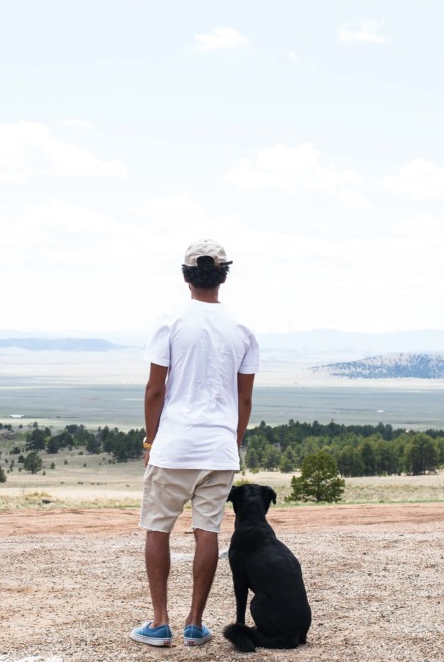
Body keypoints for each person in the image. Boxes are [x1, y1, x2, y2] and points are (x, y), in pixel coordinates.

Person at [129, 239, 259, 648]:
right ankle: (195, 624)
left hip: (175, 444)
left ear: (186, 275)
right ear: (224, 274)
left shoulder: (170, 322)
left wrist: (152, 439)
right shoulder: (242, 329)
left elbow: (155, 390)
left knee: (157, 529)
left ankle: (159, 622)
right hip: (218, 448)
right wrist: (232, 442)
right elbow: (245, 398)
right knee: (208, 531)